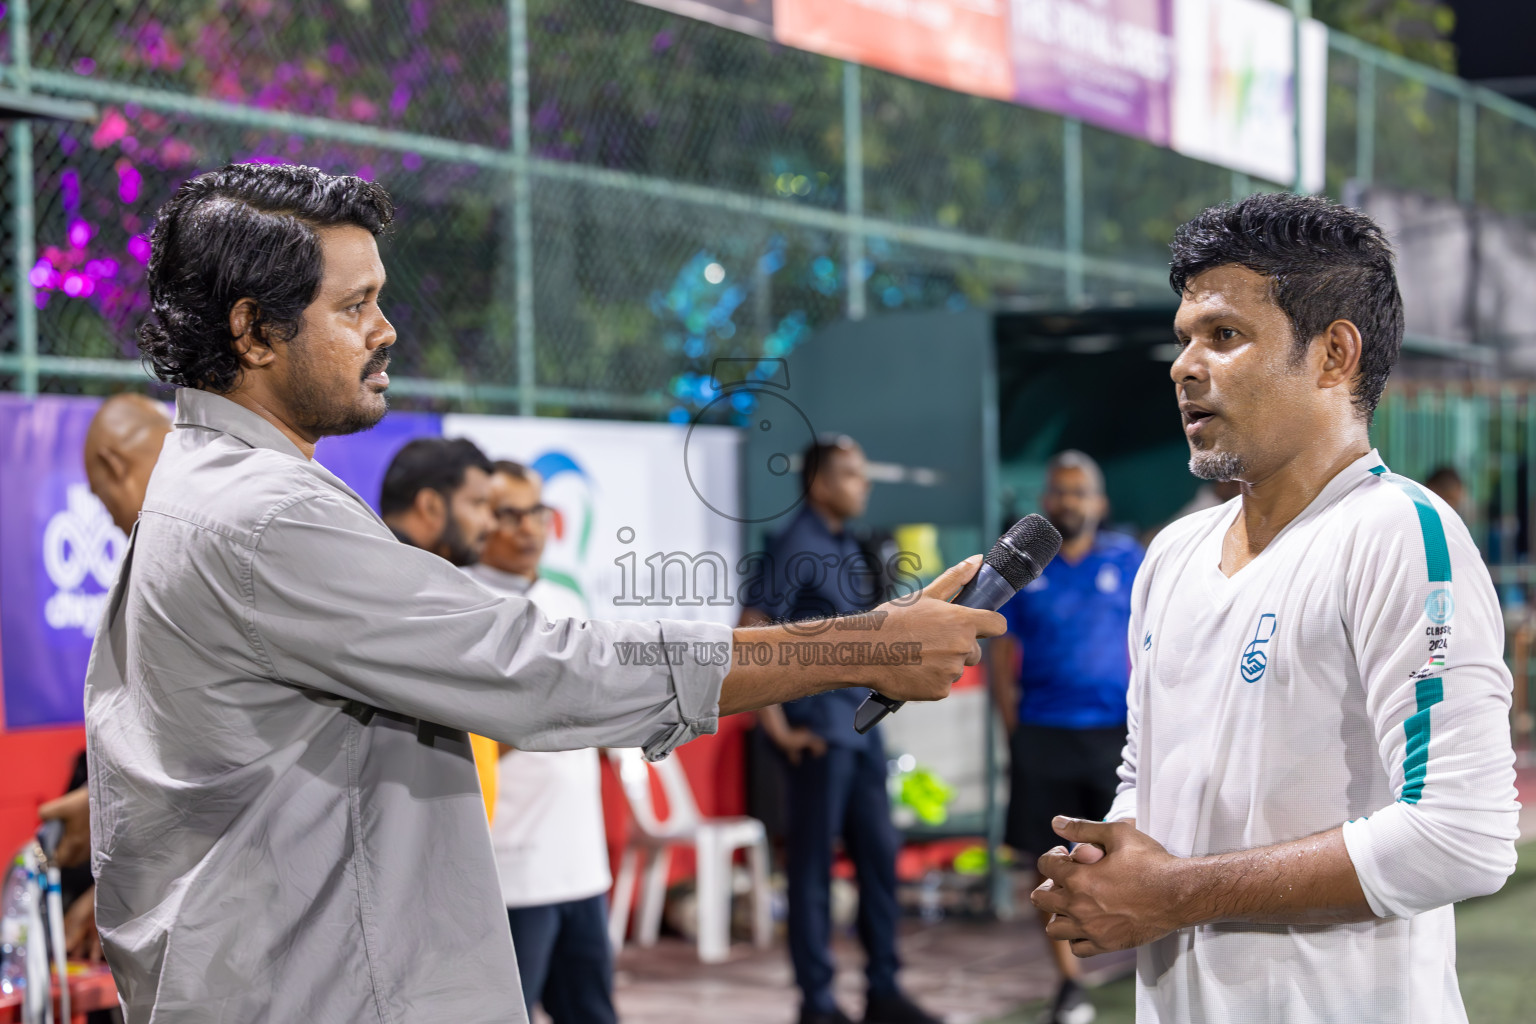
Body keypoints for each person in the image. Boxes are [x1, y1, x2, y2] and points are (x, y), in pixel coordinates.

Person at [84, 162, 1003, 1023]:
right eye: (355, 305)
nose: (386, 327)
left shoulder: (198, 491)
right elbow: (545, 669)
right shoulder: (261, 513)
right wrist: (862, 648)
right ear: (252, 330)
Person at [1031, 193, 1519, 1024]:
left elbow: (1462, 835)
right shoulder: (1174, 556)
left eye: (1223, 336)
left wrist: (1176, 893)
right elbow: (1147, 777)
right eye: (1185, 338)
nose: (1185, 365)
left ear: (1334, 354)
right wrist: (1110, 859)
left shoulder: (1398, 532)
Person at [742, 434, 940, 1024]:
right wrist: (777, 732)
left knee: (879, 857)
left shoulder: (848, 545)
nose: (864, 485)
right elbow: (750, 630)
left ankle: (883, 989)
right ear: (821, 482)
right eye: (852, 475)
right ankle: (818, 1002)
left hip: (860, 733)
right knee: (811, 872)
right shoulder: (794, 545)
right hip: (819, 738)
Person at [989, 449, 1142, 1024]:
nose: (1068, 501)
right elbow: (1003, 655)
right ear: (1044, 501)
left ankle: (1140, 961)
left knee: (1126, 856)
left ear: (1099, 503)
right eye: (1059, 491)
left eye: (1080, 492)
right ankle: (1069, 984)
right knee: (1047, 866)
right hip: (1043, 736)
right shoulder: (1025, 571)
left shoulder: (1130, 560)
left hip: (1114, 739)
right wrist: (1015, 732)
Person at [468, 460, 616, 1024]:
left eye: (537, 512)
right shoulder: (465, 603)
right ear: (481, 517)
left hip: (580, 861)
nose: (528, 528)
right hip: (511, 869)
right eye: (510, 514)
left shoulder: (567, 600)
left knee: (593, 1012)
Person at [36, 394, 175, 970]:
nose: (113, 521)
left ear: (116, 467)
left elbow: (225, 750)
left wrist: (108, 811)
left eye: (102, 499)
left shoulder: (176, 547)